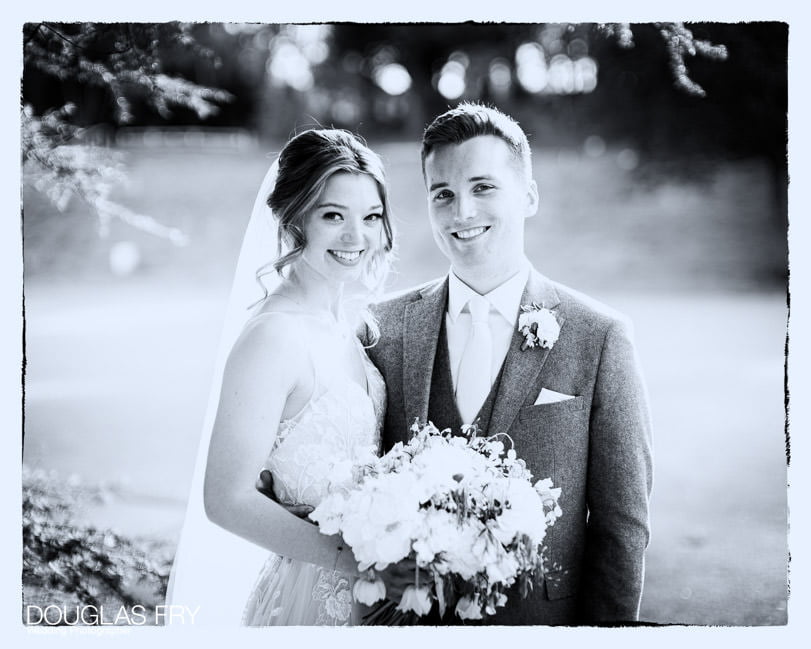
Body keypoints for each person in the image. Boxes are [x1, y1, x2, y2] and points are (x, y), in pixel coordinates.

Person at [365, 103, 653, 625]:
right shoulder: (381, 330)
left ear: (529, 195)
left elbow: (622, 527)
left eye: (483, 187)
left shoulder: (600, 337)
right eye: (443, 194)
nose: (462, 212)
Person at [166, 128, 394, 626]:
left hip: (378, 598)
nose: (357, 237)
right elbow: (226, 499)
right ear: (294, 217)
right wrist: (355, 561)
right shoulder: (273, 338)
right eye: (333, 215)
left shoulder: (349, 327)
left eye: (370, 217)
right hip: (310, 599)